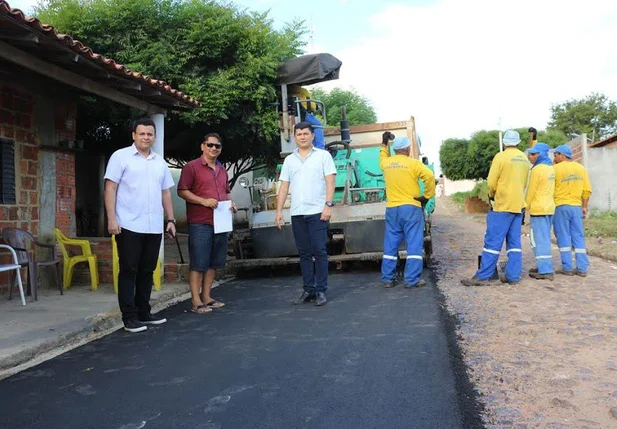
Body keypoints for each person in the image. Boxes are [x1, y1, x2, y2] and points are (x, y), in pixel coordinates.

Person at [104, 117, 176, 333]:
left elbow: (165, 193)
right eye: (142, 133)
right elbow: (110, 189)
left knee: (147, 270)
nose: (146, 137)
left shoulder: (159, 162)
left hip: (153, 226)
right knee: (129, 270)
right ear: (133, 135)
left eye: (150, 134)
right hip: (127, 225)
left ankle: (144, 312)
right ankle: (129, 317)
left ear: (154, 137)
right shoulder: (120, 157)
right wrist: (111, 219)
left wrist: (171, 219)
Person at [275, 122, 337, 306]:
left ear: (312, 136)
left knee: (319, 251)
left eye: (305, 133)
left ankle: (321, 291)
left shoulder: (323, 156)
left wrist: (328, 205)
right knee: (303, 253)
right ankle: (308, 289)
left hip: (317, 211)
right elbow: (284, 186)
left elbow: (330, 182)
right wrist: (279, 211)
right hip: (297, 213)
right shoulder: (289, 160)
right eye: (299, 134)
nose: (302, 136)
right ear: (295, 137)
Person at [461, 129, 530, 286]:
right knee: (514, 243)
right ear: (518, 143)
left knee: (493, 241)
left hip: (502, 205)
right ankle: (513, 276)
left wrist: (492, 195)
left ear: (505, 143)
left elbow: (492, 182)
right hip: (518, 205)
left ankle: (483, 276)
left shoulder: (501, 157)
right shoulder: (525, 159)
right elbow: (525, 183)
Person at [177, 134, 236, 314]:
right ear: (203, 146)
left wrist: (230, 204)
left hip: (221, 222)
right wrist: (203, 201)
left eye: (217, 146)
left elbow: (226, 193)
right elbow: (182, 191)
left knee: (214, 262)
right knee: (198, 262)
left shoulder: (222, 169)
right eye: (210, 145)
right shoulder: (191, 167)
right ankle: (196, 301)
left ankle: (207, 297)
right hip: (200, 222)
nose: (213, 148)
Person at [379, 133, 435, 288]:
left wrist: (384, 144)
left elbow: (382, 157)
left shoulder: (387, 163)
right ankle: (411, 280)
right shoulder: (413, 164)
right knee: (414, 244)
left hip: (392, 209)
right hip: (411, 208)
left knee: (390, 244)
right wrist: (427, 196)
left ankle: (387, 279)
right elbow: (429, 176)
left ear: (395, 149)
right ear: (408, 149)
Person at [551, 144, 592, 277]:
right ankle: (582, 268)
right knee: (578, 236)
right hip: (576, 207)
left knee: (563, 236)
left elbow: (550, 189)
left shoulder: (555, 169)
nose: (554, 157)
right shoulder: (581, 169)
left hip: (560, 206)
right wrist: (584, 206)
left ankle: (567, 268)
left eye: (556, 154)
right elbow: (586, 191)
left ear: (562, 155)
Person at [525, 142, 556, 280]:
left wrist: (524, 206)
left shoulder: (537, 170)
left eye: (533, 154)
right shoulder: (551, 168)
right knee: (545, 239)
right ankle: (544, 266)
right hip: (549, 208)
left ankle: (545, 270)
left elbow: (531, 191)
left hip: (538, 209)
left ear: (541, 154)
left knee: (537, 240)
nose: (530, 156)